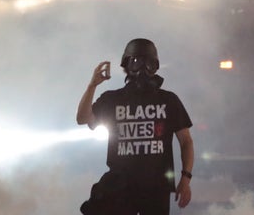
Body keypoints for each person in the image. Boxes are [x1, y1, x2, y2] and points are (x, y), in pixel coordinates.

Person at [77, 38, 194, 215]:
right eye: (137, 62)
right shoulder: (112, 99)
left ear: (155, 67)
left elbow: (186, 142)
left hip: (156, 188)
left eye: (148, 63)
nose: (143, 69)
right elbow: (82, 118)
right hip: (119, 187)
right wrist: (92, 85)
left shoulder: (168, 100)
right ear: (127, 65)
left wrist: (186, 179)